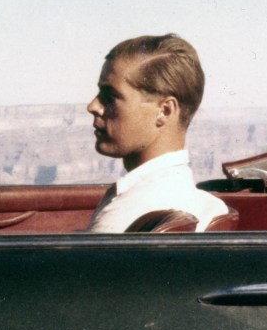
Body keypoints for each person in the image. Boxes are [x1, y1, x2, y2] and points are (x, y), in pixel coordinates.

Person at [86, 33, 228, 232]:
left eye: (110, 96)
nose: (93, 106)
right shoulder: (213, 208)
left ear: (165, 111)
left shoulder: (120, 218)